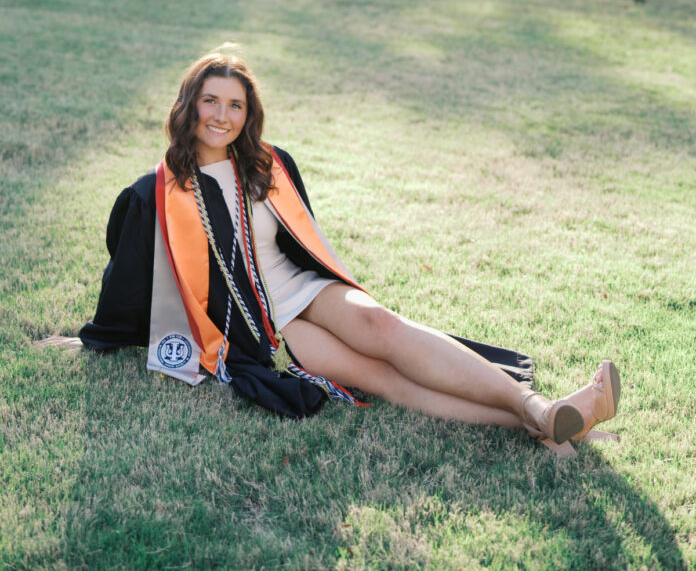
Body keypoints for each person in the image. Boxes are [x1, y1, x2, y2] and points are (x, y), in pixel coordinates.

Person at [77, 48, 620, 450]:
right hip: (264, 327)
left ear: (249, 112)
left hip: (307, 290)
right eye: (210, 101)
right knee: (381, 378)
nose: (222, 115)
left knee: (387, 330)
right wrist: (96, 339)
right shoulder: (159, 190)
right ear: (189, 105)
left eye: (235, 105)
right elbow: (129, 274)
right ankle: (547, 423)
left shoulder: (272, 164)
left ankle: (537, 408)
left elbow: (304, 244)